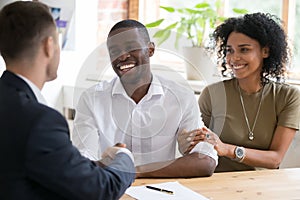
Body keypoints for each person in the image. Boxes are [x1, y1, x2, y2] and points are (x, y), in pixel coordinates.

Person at [0, 2, 135, 199]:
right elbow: (100, 190)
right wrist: (125, 158)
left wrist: (100, 163)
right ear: (49, 46)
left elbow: (46, 163)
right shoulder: (40, 121)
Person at [72, 19, 218, 178]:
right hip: (110, 189)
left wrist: (133, 170)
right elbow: (84, 159)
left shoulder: (181, 97)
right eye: (114, 51)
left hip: (162, 191)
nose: (122, 56)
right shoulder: (92, 99)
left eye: (131, 47)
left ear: (150, 49)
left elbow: (205, 161)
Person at [182, 12, 300, 172]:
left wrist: (227, 149)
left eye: (244, 50)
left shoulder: (288, 97)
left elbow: (275, 159)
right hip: (216, 182)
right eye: (229, 50)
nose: (234, 58)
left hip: (263, 187)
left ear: (265, 51)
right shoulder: (212, 94)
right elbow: (197, 148)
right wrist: (186, 142)